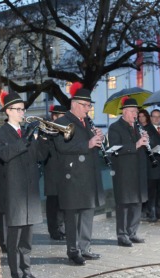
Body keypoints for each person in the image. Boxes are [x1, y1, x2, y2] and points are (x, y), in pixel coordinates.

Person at [0, 91, 48, 278]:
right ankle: (16, 276)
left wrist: (42, 137)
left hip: (29, 191)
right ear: (8, 111)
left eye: (23, 109)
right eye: (17, 109)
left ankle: (27, 271)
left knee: (27, 237)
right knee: (13, 239)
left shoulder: (28, 132)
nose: (22, 112)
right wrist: (26, 137)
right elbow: (6, 154)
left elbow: (41, 156)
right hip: (13, 193)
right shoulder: (0, 133)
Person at [54, 83, 105, 264]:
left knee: (87, 213)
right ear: (74, 103)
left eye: (89, 106)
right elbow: (61, 146)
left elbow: (92, 144)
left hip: (88, 175)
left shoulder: (87, 122)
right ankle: (73, 250)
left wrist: (100, 138)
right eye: (85, 105)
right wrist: (88, 144)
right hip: (72, 176)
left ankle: (85, 247)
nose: (88, 109)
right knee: (72, 215)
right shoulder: (62, 122)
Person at [108, 98, 148, 247]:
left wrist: (145, 141)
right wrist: (136, 144)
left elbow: (140, 148)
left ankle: (132, 232)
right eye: (132, 111)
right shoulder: (115, 128)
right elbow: (115, 148)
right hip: (123, 172)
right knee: (124, 204)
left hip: (138, 170)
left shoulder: (137, 128)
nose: (135, 114)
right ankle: (122, 235)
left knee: (137, 202)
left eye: (136, 112)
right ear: (124, 112)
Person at [44, 104, 66, 241]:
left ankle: (61, 227)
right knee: (53, 203)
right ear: (54, 117)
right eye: (61, 117)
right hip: (52, 171)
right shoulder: (47, 130)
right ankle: (54, 230)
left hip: (64, 170)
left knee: (62, 203)